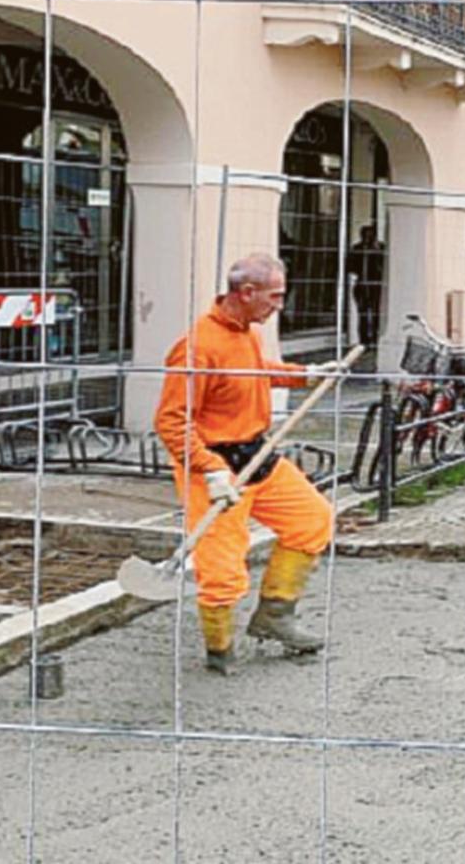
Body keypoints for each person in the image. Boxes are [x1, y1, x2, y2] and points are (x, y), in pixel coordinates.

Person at [154, 253, 340, 674]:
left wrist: (304, 373)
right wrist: (209, 467)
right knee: (221, 571)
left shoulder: (248, 333)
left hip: (256, 455)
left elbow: (254, 372)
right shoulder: (197, 346)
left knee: (313, 520)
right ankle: (220, 651)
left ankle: (274, 617)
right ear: (247, 292)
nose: (279, 306)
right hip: (214, 466)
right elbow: (170, 420)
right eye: (274, 296)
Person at [349, 224, 385, 348]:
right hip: (361, 284)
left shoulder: (380, 248)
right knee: (362, 313)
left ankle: (375, 338)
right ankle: (364, 340)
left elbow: (384, 266)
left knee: (376, 313)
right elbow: (351, 266)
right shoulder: (357, 248)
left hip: (376, 285)